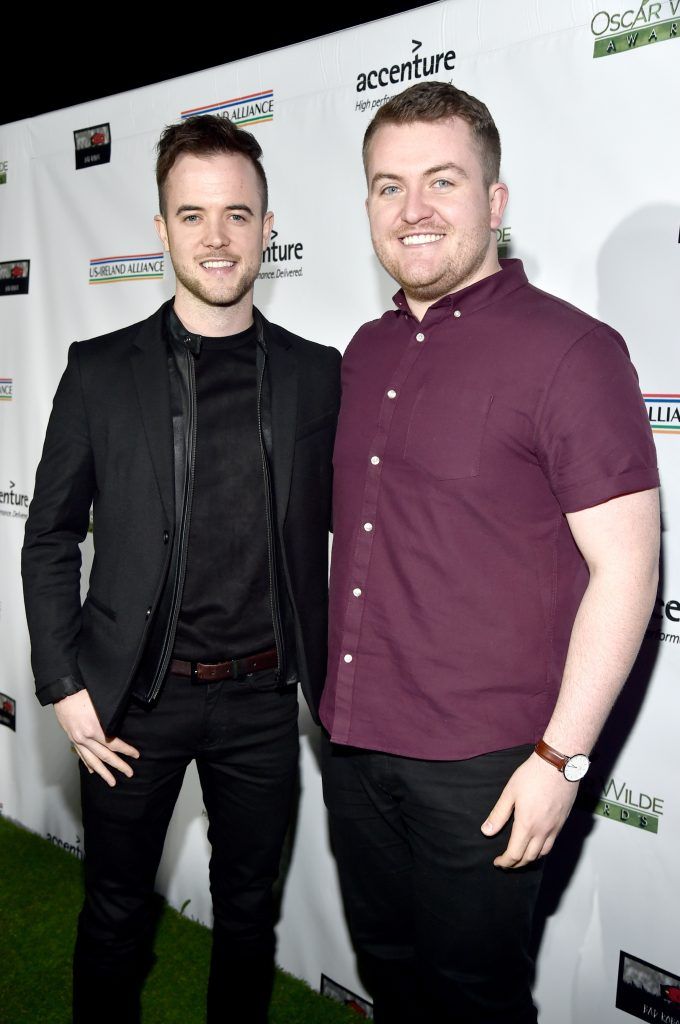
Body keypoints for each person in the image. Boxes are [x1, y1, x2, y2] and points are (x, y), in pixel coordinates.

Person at [320, 81, 660, 1024]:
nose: (414, 209)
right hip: (354, 743)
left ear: (495, 202)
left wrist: (560, 761)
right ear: (368, 209)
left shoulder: (574, 352)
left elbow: (628, 569)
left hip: (489, 766)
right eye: (390, 187)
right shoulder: (366, 349)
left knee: (475, 1001)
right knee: (391, 975)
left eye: (442, 181)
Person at [22, 114, 340, 1024]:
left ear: (268, 226)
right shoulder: (99, 372)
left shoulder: (319, 376)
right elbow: (48, 536)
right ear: (161, 229)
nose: (216, 236)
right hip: (130, 706)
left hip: (260, 707)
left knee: (248, 920)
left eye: (237, 214)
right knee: (116, 916)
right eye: (192, 215)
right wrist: (63, 685)